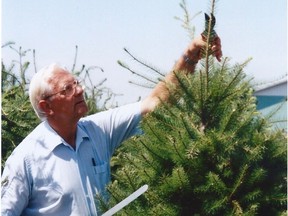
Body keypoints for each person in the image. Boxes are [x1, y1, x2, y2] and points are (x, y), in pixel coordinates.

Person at [1, 35, 222, 216]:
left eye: (77, 83)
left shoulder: (97, 131)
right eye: (67, 89)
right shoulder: (25, 160)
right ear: (46, 106)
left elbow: (155, 104)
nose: (80, 90)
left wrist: (191, 55)